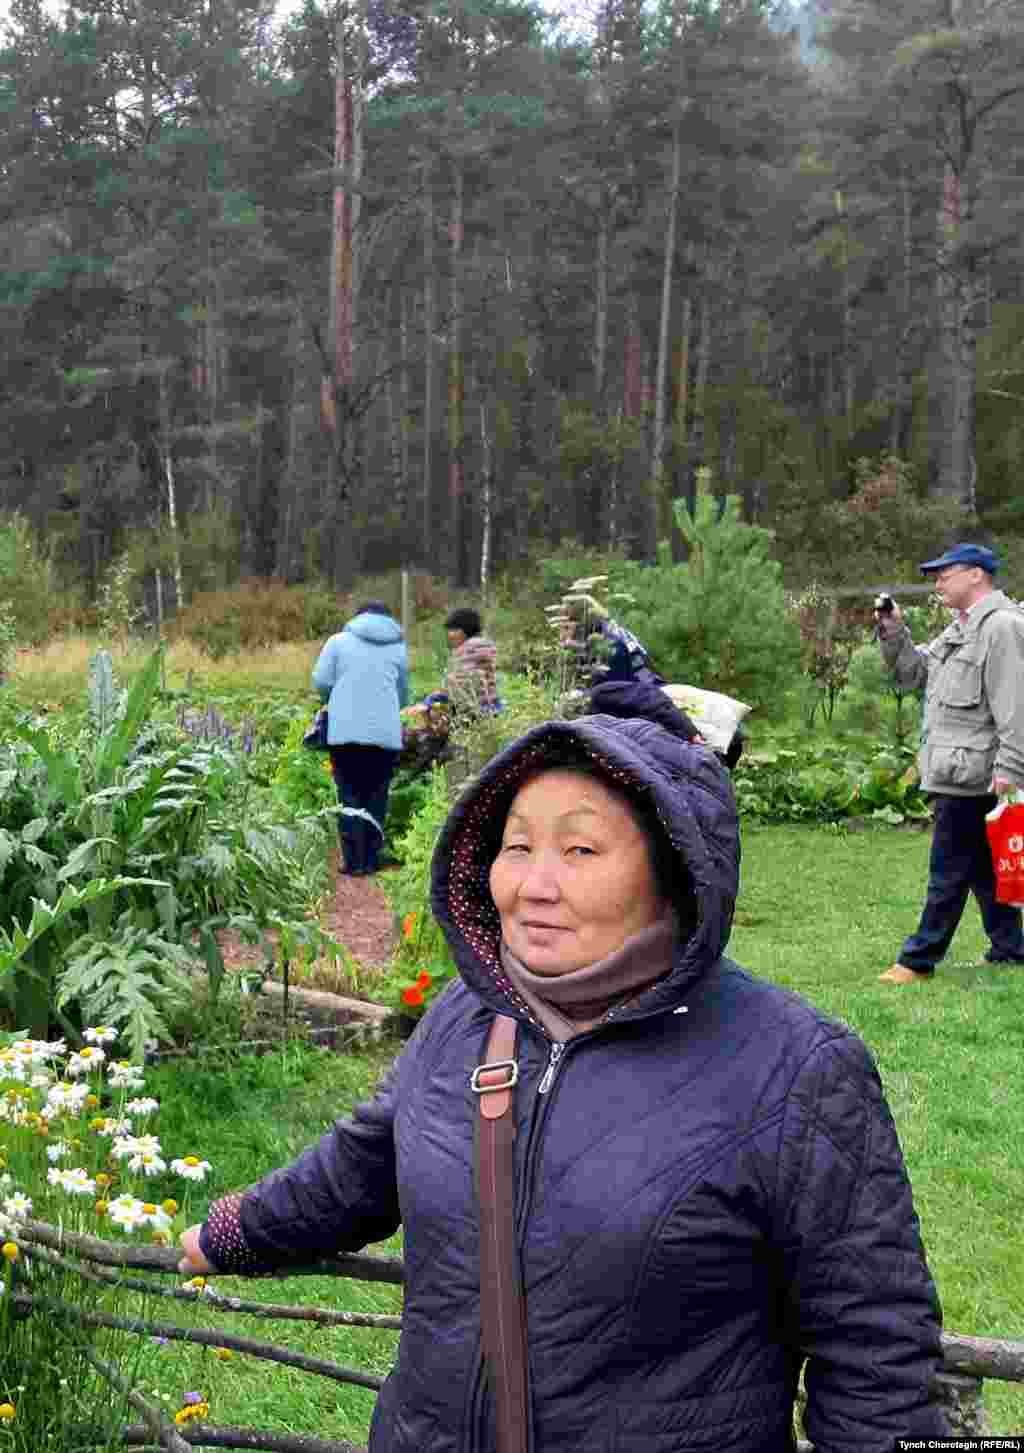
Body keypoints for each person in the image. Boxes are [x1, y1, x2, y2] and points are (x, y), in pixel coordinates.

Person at [179, 708, 948, 1452]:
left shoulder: (794, 1069)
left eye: (580, 851)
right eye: (517, 847)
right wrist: (234, 1231)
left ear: (675, 867)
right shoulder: (466, 1018)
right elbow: (366, 1162)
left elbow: (877, 1349)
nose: (533, 884)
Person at [875, 542, 1024, 984]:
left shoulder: (1002, 628)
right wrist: (894, 633)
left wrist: (1012, 767)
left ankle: (919, 959)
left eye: (946, 573)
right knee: (979, 866)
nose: (937, 582)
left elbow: (1015, 705)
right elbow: (913, 676)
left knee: (948, 870)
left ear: (977, 574)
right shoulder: (960, 630)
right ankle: (1011, 949)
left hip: (980, 773)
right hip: (959, 770)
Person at [312, 600, 408, 877]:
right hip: (385, 735)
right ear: (389, 621)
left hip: (345, 733)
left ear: (357, 618)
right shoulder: (398, 648)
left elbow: (321, 680)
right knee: (377, 795)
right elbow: (403, 693)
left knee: (349, 794)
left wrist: (337, 697)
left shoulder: (338, 642)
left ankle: (353, 862)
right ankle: (371, 859)